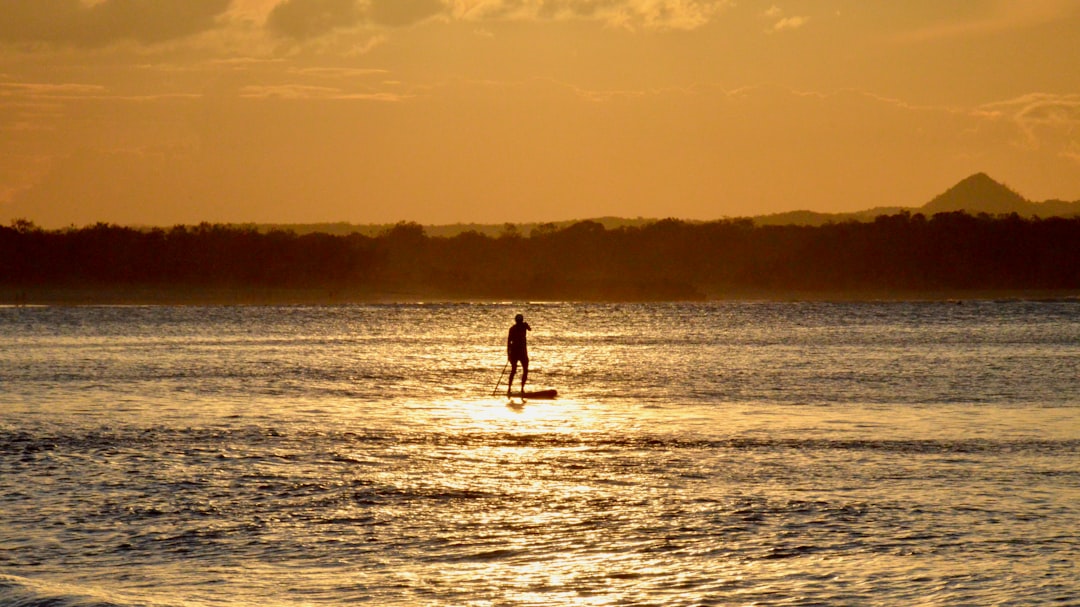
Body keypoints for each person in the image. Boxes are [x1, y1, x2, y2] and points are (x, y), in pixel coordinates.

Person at [506, 313, 531, 397]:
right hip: (515, 352)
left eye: (521, 321)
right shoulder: (512, 329)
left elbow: (530, 329)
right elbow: (509, 342)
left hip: (523, 352)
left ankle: (522, 388)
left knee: (525, 370)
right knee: (513, 370)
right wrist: (508, 354)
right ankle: (509, 388)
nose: (520, 322)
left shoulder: (524, 326)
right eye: (519, 321)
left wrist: (526, 325)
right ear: (516, 321)